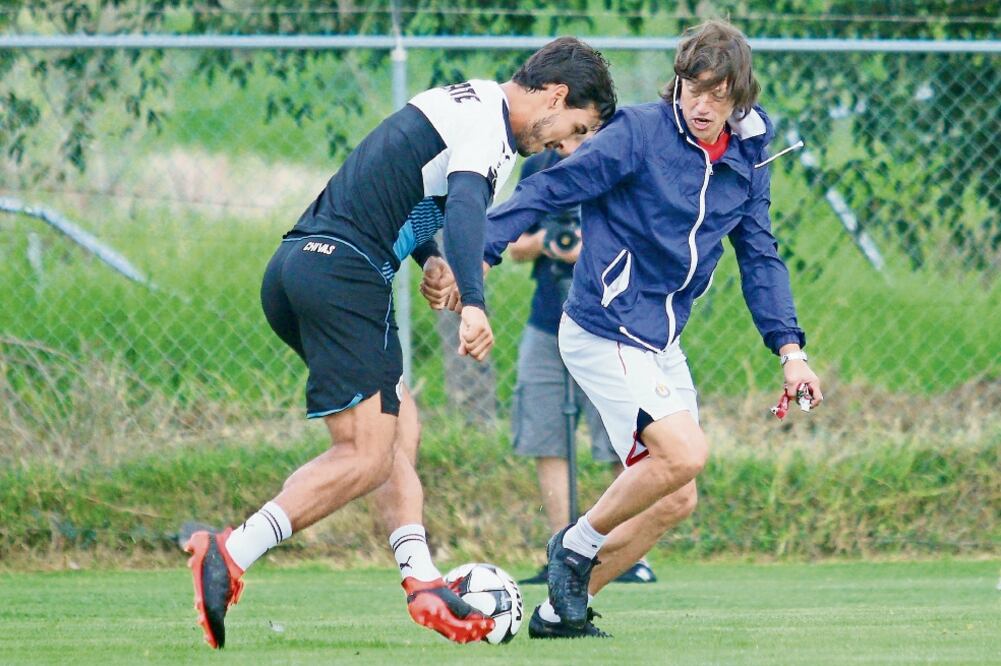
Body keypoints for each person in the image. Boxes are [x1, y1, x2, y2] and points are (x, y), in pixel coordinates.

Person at [183, 37, 616, 649]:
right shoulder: (489, 126)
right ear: (555, 96)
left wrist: (431, 258)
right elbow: (466, 203)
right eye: (574, 128)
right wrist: (473, 300)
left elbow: (407, 194)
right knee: (363, 455)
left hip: (300, 265)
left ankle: (422, 582)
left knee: (397, 432)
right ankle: (230, 552)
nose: (565, 145)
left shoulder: (468, 104)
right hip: (344, 274)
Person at [483, 20, 823, 639]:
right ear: (678, 83)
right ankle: (575, 545)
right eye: (693, 87)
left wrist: (790, 351)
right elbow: (555, 187)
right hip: (604, 328)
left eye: (718, 94)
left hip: (659, 339)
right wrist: (480, 249)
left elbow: (761, 255)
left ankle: (561, 612)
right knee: (686, 452)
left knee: (675, 496)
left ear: (739, 98)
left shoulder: (750, 155)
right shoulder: (638, 133)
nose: (702, 104)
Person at [505, 133, 662, 587]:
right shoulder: (541, 165)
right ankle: (560, 549)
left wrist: (588, 249)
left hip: (611, 323)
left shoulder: (621, 158)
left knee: (622, 436)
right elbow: (514, 242)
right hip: (547, 317)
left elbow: (643, 238)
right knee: (544, 429)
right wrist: (546, 245)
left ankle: (623, 552)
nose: (568, 142)